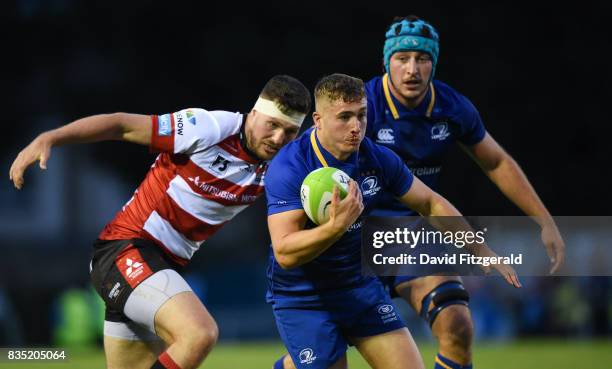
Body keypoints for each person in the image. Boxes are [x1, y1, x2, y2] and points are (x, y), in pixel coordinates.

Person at [9, 75, 311, 369]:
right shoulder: (211, 127)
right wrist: (50, 137)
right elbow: (121, 125)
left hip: (161, 269)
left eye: (289, 132)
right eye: (272, 125)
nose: (278, 139)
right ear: (255, 112)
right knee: (199, 333)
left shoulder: (283, 162)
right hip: (125, 250)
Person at [266, 73, 520, 369]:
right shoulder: (290, 167)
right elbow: (284, 252)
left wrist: (480, 251)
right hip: (304, 298)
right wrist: (336, 227)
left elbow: (430, 202)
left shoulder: (375, 157)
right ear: (318, 119)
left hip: (358, 286)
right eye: (344, 117)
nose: (356, 127)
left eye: (361, 115)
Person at [363, 16, 566, 369]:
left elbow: (496, 162)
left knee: (457, 325)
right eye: (402, 58)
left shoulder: (451, 107)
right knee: (322, 355)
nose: (412, 69)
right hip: (357, 238)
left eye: (422, 59)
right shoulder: (363, 105)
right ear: (386, 61)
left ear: (434, 62)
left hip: (415, 234)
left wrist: (544, 220)